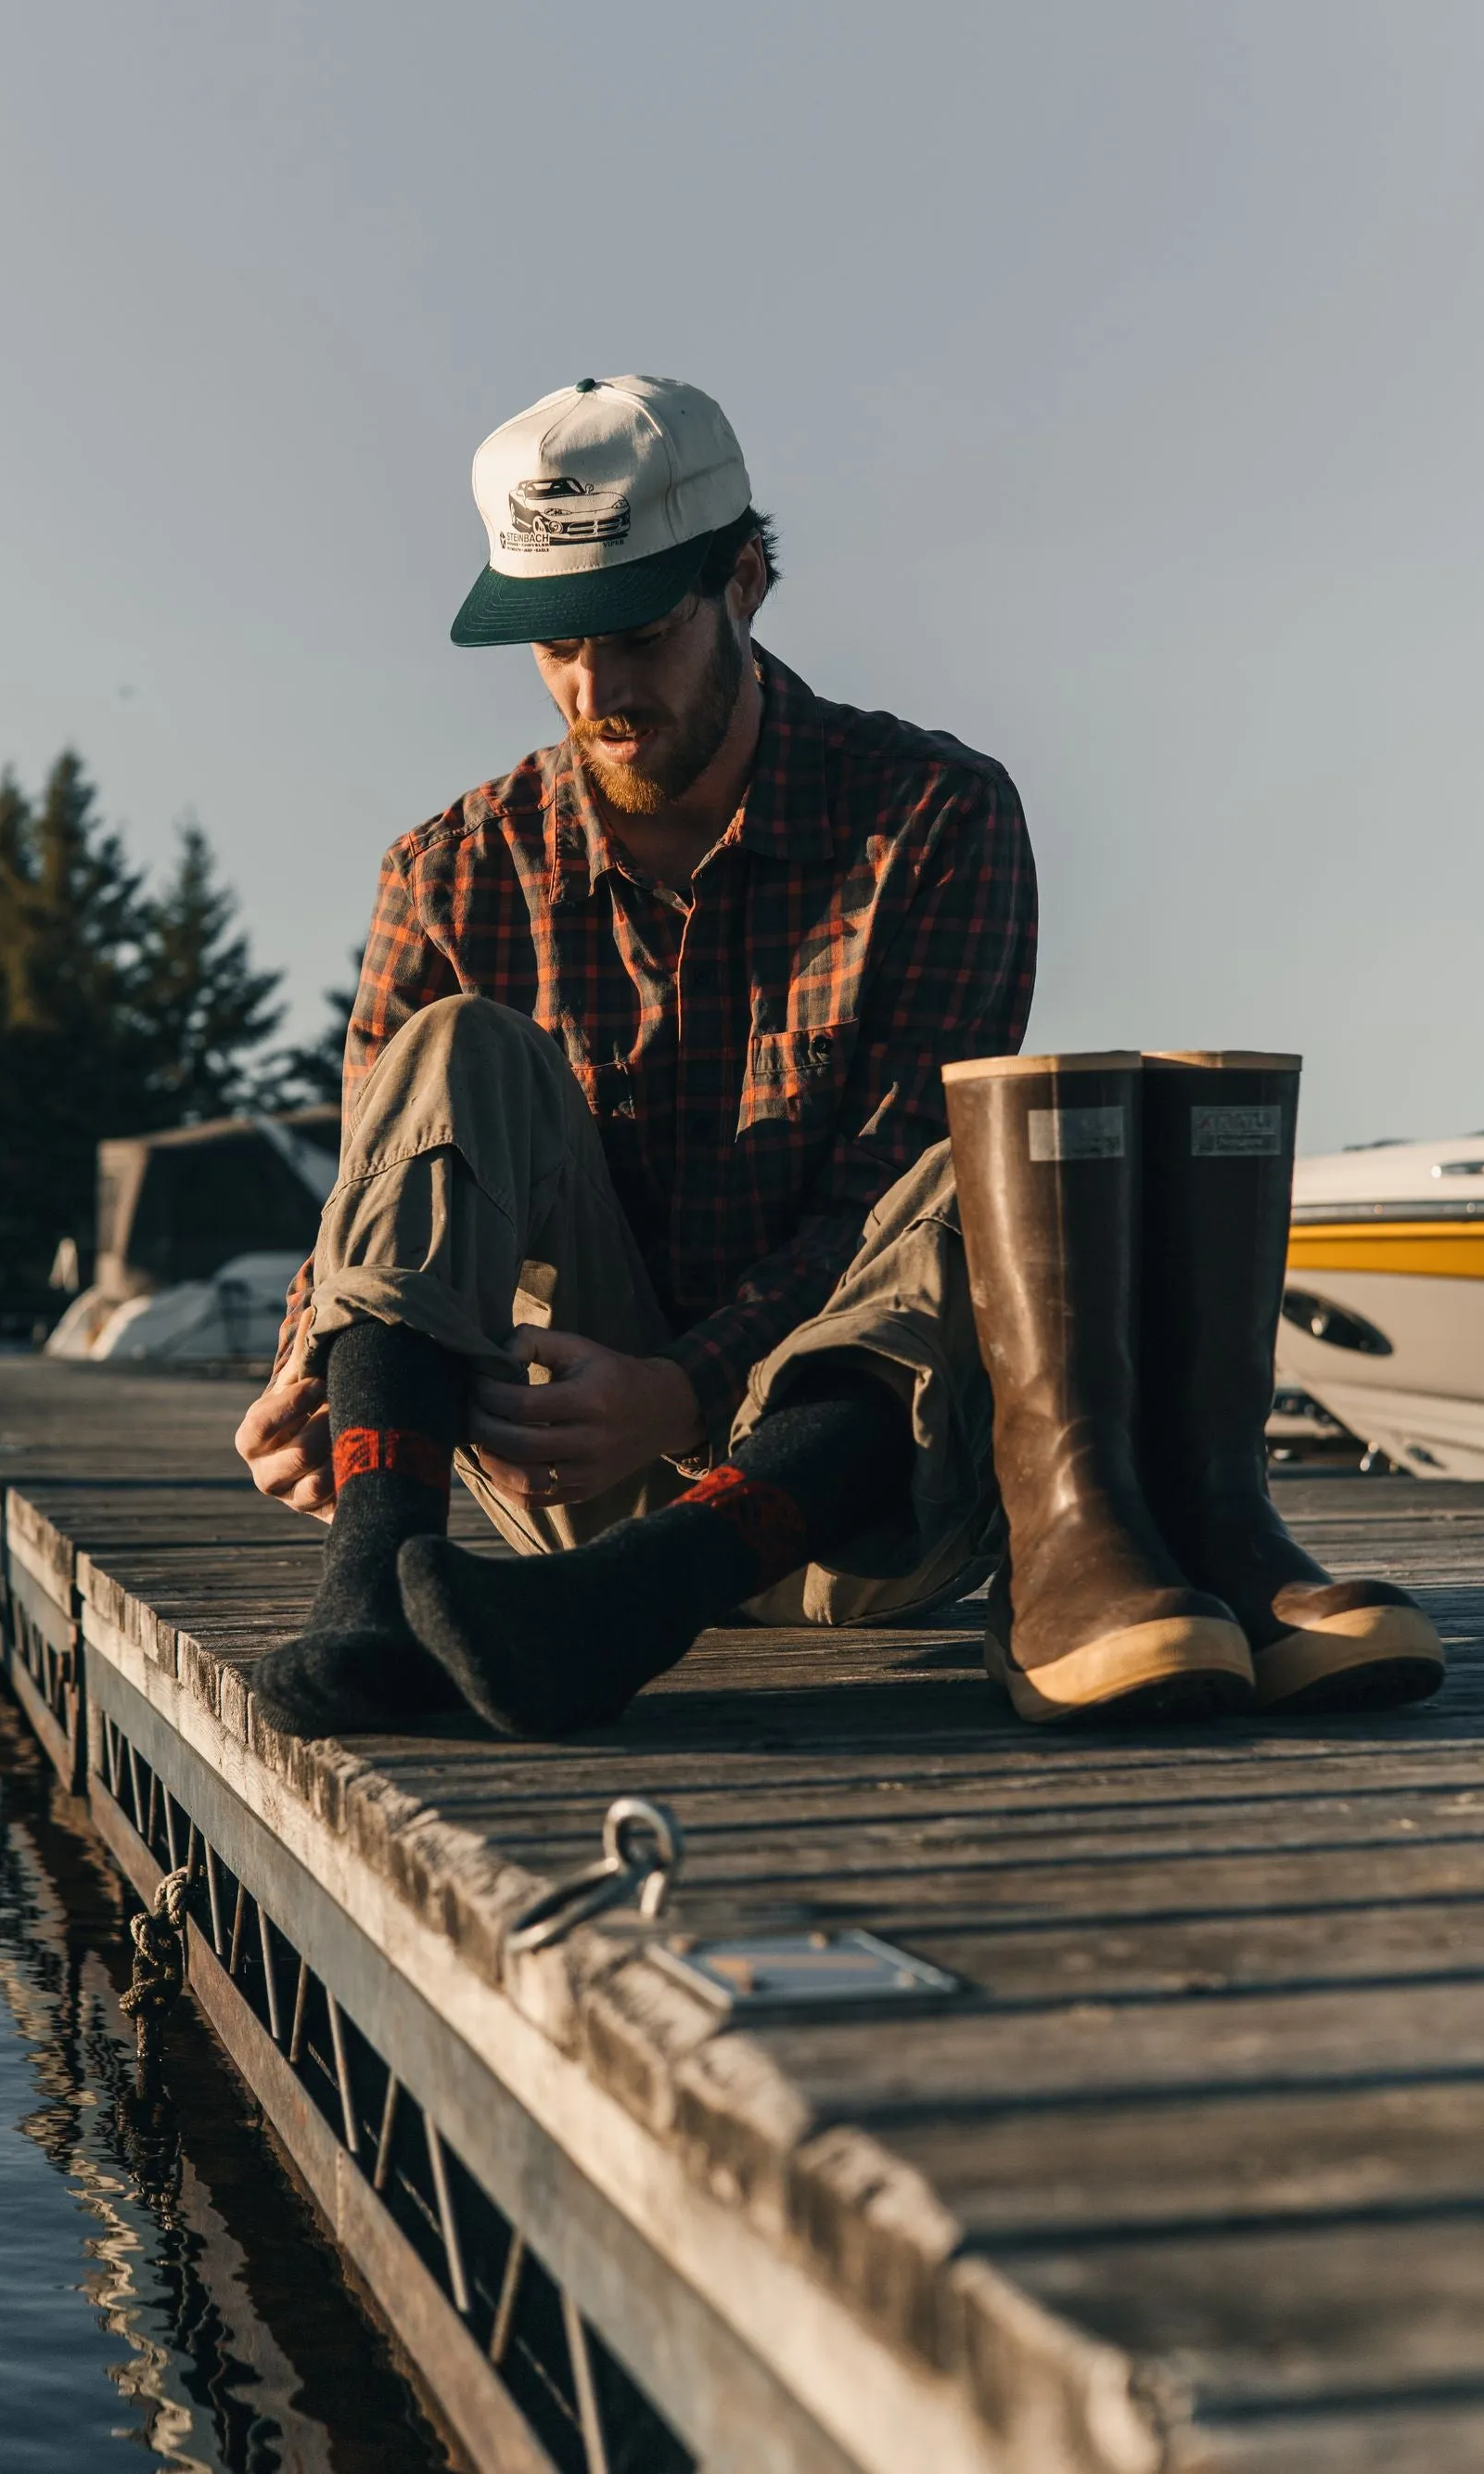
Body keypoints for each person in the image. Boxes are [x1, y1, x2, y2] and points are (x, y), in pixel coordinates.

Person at [234, 371, 1054, 1737]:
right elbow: (376, 1195)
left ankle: (640, 1598)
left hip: (862, 1510)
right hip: (565, 1487)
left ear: (744, 582)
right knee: (451, 1050)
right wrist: (308, 1379)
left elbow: (888, 1205)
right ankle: (370, 1600)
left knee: (989, 1170)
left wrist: (688, 1386)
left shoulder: (935, 819)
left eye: (635, 632)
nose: (594, 690)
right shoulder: (449, 873)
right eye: (554, 646)